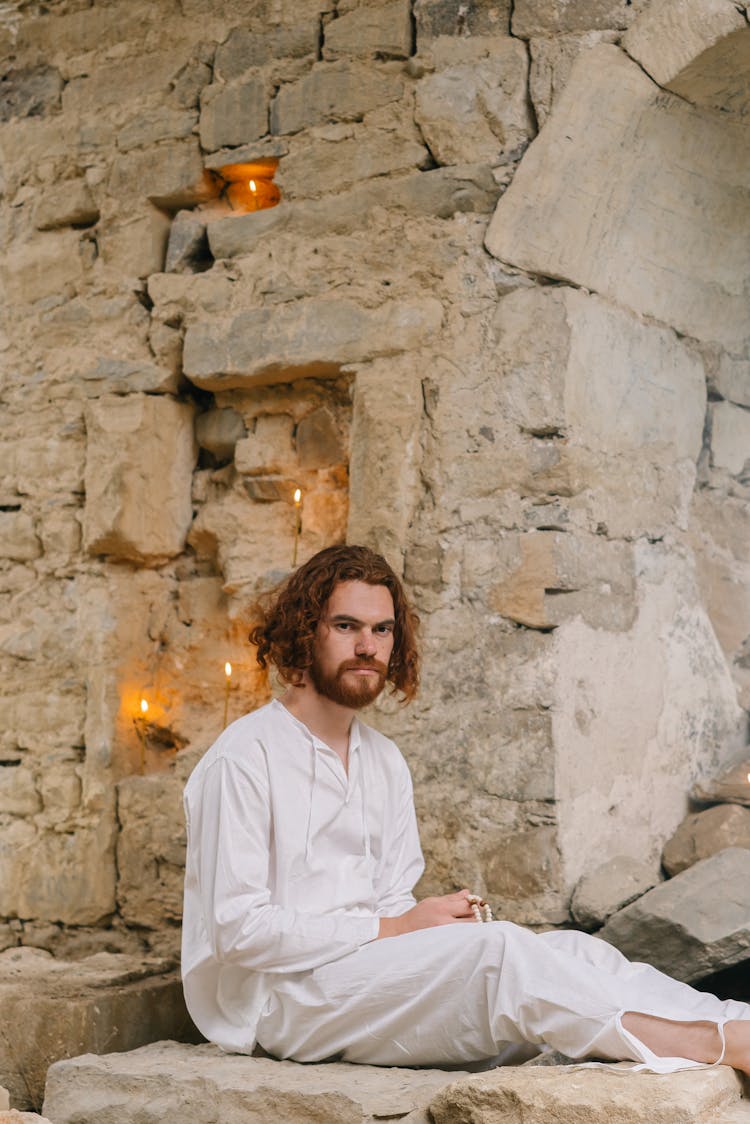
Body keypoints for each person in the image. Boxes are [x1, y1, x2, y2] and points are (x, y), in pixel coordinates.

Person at [181, 545, 750, 1075]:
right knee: (500, 952)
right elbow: (240, 931)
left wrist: (426, 927)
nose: (368, 647)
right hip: (280, 1001)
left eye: (382, 629)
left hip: (362, 978)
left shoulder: (383, 760)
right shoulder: (244, 757)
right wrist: (399, 926)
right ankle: (708, 1047)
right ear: (305, 635)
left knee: (568, 948)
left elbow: (387, 905)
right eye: (346, 626)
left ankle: (734, 1023)